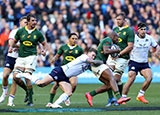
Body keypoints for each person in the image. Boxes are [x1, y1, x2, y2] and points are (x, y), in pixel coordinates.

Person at [15, 48, 131, 108]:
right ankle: (26, 75)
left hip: (65, 77)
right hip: (60, 71)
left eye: (94, 55)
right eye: (92, 54)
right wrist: (101, 61)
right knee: (41, 84)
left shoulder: (88, 65)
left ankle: (55, 104)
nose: (93, 56)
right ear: (88, 53)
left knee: (69, 92)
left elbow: (95, 67)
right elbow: (93, 62)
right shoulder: (85, 57)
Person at [86, 12, 135, 107]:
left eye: (119, 19)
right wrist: (115, 52)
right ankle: (115, 98)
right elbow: (106, 49)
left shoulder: (129, 30)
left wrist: (119, 53)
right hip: (109, 58)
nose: (117, 21)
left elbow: (130, 46)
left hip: (122, 58)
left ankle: (115, 98)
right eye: (116, 19)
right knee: (111, 80)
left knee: (114, 81)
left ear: (124, 20)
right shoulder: (113, 32)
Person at [8, 14, 47, 106]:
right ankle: (29, 91)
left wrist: (43, 50)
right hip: (21, 57)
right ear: (28, 22)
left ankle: (30, 101)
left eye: (35, 20)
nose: (35, 22)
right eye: (33, 21)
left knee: (27, 76)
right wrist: (12, 47)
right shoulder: (20, 31)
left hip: (31, 56)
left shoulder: (37, 33)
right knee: (15, 77)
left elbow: (44, 43)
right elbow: (14, 42)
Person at [122, 22, 159, 104]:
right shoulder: (133, 38)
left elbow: (156, 46)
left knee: (149, 77)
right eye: (141, 29)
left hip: (144, 63)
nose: (143, 31)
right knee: (131, 79)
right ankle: (123, 97)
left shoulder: (149, 38)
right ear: (138, 30)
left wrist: (156, 51)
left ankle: (140, 95)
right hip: (134, 62)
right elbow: (127, 48)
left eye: (144, 29)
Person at [46, 33, 84, 107]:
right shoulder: (63, 47)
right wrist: (53, 59)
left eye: (76, 39)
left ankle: (67, 97)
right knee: (55, 86)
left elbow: (82, 59)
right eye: (73, 38)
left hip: (73, 70)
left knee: (74, 84)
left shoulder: (79, 49)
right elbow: (57, 55)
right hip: (63, 70)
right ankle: (50, 102)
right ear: (69, 39)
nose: (74, 40)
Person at [0, 16, 29, 106]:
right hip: (11, 57)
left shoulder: (29, 34)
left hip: (21, 58)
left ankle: (10, 101)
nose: (26, 24)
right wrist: (22, 45)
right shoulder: (14, 31)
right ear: (20, 23)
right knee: (5, 76)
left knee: (15, 79)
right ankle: (4, 92)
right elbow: (10, 43)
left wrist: (17, 45)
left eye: (27, 23)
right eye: (24, 22)